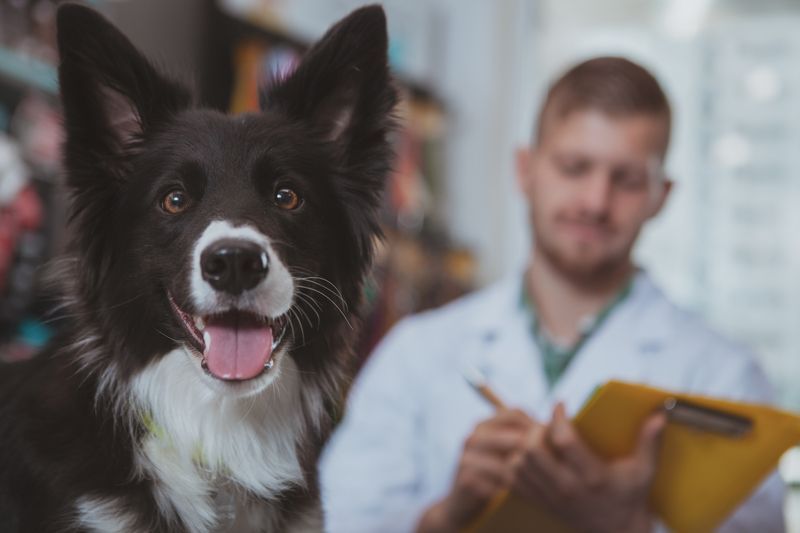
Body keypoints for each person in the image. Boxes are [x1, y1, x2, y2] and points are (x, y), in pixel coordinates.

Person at [319, 57, 785, 533]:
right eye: (574, 167)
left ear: (659, 196)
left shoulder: (724, 376)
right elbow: (341, 521)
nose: (595, 202)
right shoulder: (416, 354)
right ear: (526, 170)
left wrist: (627, 525)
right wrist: (449, 515)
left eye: (626, 180)